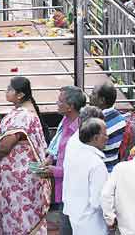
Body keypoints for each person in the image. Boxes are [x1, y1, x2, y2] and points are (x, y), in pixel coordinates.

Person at [0, 77, 50, 234]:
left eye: (9, 89)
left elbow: (6, 145)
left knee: (19, 214)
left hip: (19, 178)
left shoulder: (22, 115)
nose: (6, 92)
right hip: (19, 176)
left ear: (20, 95)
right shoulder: (23, 111)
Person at [41, 86, 85, 234]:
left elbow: (78, 168)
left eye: (60, 101)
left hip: (74, 189)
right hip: (63, 186)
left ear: (70, 107)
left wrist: (54, 171)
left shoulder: (80, 131)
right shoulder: (65, 121)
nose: (56, 103)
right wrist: (50, 158)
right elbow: (56, 145)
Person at [62, 118, 109, 234]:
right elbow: (97, 201)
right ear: (95, 138)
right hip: (93, 225)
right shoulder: (96, 164)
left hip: (77, 220)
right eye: (105, 134)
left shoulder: (75, 156)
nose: (107, 138)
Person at [88, 82, 125, 171]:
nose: (89, 96)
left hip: (100, 170)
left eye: (93, 93)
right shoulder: (120, 118)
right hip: (112, 168)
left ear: (102, 100)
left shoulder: (98, 123)